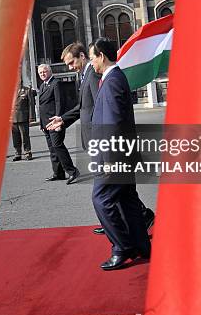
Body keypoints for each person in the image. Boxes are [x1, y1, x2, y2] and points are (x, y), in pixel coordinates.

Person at [47, 42, 155, 235]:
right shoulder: (84, 74)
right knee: (119, 187)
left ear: (82, 56)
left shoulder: (97, 73)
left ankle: (123, 222)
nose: (71, 67)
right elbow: (83, 107)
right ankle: (127, 218)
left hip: (102, 139)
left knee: (110, 187)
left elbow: (104, 109)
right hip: (96, 138)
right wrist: (63, 119)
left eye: (72, 62)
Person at [89, 37, 151, 271]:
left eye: (93, 58)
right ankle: (142, 246)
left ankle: (121, 246)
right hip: (123, 154)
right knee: (127, 200)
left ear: (102, 56)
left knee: (102, 200)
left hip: (114, 156)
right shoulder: (113, 78)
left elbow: (114, 122)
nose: (92, 63)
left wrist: (107, 158)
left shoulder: (113, 80)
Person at [38, 64, 80, 184]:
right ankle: (58, 173)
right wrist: (42, 124)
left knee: (57, 146)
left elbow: (59, 103)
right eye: (40, 73)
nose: (42, 74)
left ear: (50, 71)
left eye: (44, 72)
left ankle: (72, 171)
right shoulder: (42, 86)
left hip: (55, 122)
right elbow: (42, 107)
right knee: (52, 149)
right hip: (46, 124)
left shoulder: (56, 84)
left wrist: (59, 122)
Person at [11, 84, 35, 161]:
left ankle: (27, 152)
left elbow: (31, 104)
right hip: (13, 118)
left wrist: (32, 117)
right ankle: (18, 153)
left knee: (25, 136)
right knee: (15, 137)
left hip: (23, 118)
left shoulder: (27, 90)